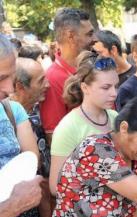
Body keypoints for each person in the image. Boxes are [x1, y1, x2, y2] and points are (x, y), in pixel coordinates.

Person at [49, 51, 119, 195]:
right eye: (106, 87)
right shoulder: (68, 127)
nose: (114, 93)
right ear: (85, 87)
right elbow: (55, 186)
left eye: (115, 86)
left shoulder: (115, 117)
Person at [40, 8, 96, 144]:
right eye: (89, 34)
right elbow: (54, 137)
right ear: (70, 36)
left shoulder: (92, 67)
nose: (94, 39)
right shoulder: (53, 79)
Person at [11, 57, 52, 217]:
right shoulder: (9, 121)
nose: (48, 85)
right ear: (20, 86)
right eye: (41, 80)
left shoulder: (38, 110)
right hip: (25, 216)